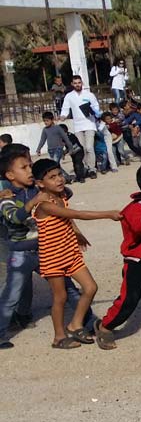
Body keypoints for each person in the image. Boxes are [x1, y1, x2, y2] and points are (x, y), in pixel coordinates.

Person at [0, 147, 94, 348]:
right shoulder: (6, 197)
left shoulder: (36, 189)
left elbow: (65, 193)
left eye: (30, 166)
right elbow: (14, 217)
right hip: (21, 253)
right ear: (9, 175)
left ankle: (87, 322)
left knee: (69, 289)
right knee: (13, 294)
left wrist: (48, 185)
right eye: (24, 167)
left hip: (45, 250)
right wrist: (36, 199)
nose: (29, 171)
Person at [31, 159, 120, 348]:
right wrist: (108, 214)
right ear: (40, 183)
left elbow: (68, 219)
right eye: (52, 177)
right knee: (60, 298)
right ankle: (59, 337)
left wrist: (77, 233)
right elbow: (77, 214)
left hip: (70, 253)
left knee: (90, 288)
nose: (59, 180)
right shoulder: (44, 206)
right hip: (53, 258)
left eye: (59, 175)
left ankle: (75, 324)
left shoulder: (61, 197)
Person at [94, 164, 141, 350]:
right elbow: (138, 227)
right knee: (130, 298)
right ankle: (104, 326)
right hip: (137, 261)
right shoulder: (137, 206)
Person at [59, 75, 100, 179]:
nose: (77, 85)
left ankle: (92, 169)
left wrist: (94, 112)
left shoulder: (89, 95)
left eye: (79, 82)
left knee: (89, 147)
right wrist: (63, 115)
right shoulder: (69, 96)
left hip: (90, 123)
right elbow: (65, 108)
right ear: (72, 84)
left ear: (82, 83)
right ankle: (85, 167)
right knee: (82, 148)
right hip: (78, 125)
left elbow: (96, 108)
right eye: (75, 83)